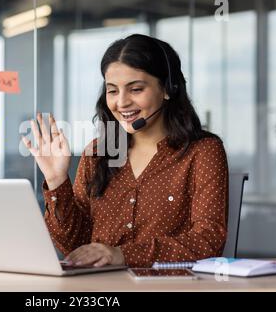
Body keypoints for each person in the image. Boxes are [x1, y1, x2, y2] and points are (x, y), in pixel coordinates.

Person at [21, 34, 228, 268]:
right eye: (112, 91)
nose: (121, 102)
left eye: (136, 89)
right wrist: (57, 180)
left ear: (168, 89)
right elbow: (76, 246)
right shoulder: (98, 153)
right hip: (102, 288)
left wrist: (122, 254)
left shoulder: (202, 151)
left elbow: (208, 241)